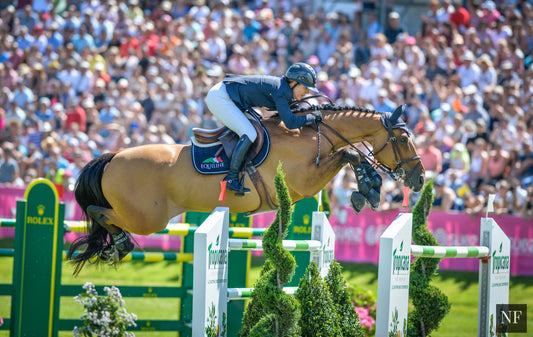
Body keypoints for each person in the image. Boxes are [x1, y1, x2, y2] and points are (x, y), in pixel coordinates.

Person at [205, 62, 321, 195]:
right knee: (249, 133)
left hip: (229, 97)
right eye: (305, 88)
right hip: (220, 98)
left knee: (255, 127)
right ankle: (231, 178)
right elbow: (290, 122)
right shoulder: (281, 91)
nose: (307, 92)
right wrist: (312, 118)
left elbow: (290, 113)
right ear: (294, 83)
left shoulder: (283, 88)